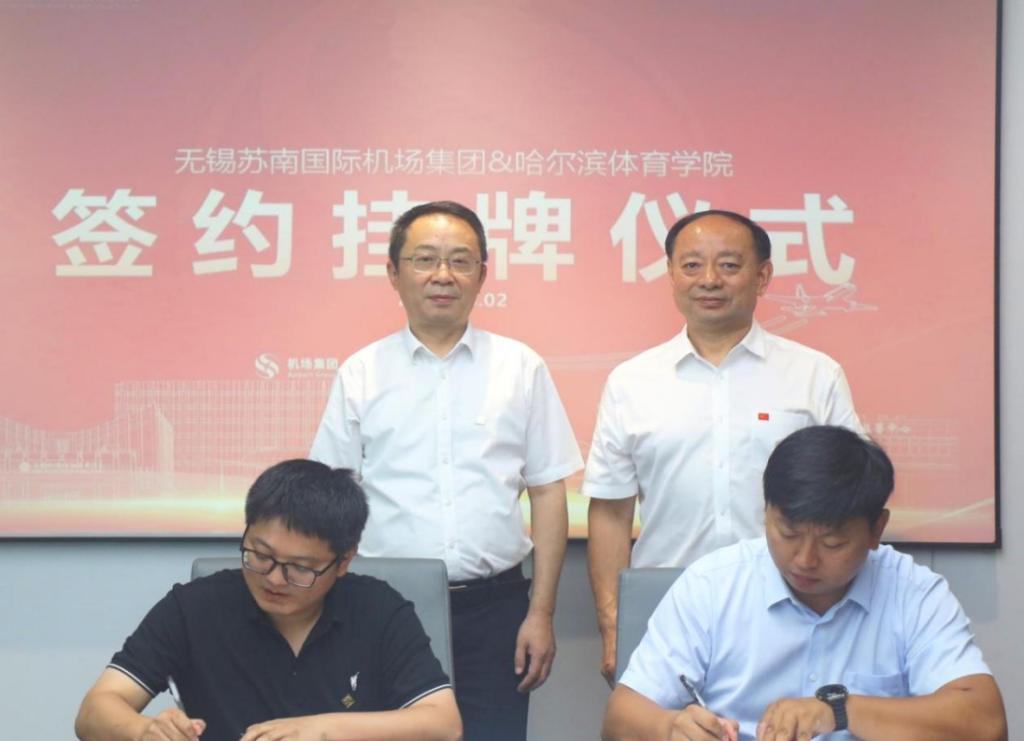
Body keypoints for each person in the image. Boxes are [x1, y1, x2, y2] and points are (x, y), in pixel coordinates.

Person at [310, 201, 583, 740]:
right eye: (425, 259)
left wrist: (541, 613)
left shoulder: (519, 367)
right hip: (385, 606)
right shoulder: (361, 372)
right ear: (394, 273)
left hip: (496, 607)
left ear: (482, 274)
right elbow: (330, 500)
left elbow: (549, 492)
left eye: (460, 260)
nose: (443, 275)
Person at [585, 210, 863, 684]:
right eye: (692, 266)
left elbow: (853, 498)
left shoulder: (815, 375)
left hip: (792, 604)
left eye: (729, 266)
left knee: (788, 722)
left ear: (762, 276)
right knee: (665, 723)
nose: (709, 280)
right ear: (671, 275)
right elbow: (611, 511)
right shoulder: (632, 382)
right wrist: (614, 623)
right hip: (666, 607)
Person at [602, 426, 1008, 741]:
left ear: (876, 530)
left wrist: (841, 711)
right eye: (788, 533)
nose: (805, 559)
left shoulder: (915, 594)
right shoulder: (711, 586)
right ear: (766, 513)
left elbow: (986, 725)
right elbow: (620, 719)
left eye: (832, 542)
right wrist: (670, 727)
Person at [75, 460, 460, 741]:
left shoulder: (378, 609)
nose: (274, 578)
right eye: (260, 555)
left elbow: (443, 724)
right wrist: (144, 730)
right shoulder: (193, 608)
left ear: (343, 561)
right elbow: (95, 710)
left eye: (300, 567)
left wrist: (322, 730)